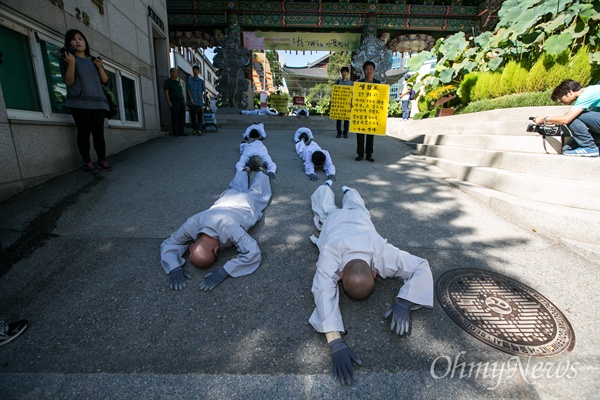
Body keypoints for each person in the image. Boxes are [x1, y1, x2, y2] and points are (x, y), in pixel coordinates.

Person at [308, 181, 434, 386]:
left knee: (325, 208)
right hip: (353, 219)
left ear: (340, 274)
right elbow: (420, 266)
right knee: (352, 206)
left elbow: (323, 292)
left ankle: (326, 187)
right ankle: (347, 190)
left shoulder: (333, 258)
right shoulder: (381, 253)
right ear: (375, 273)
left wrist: (335, 341)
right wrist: (405, 302)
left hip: (340, 220)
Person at [160, 168, 272, 291]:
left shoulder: (230, 229)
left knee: (258, 191)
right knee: (235, 187)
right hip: (227, 198)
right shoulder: (193, 222)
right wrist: (174, 267)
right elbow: (170, 242)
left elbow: (253, 252)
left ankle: (262, 172)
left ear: (216, 249)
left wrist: (224, 272)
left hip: (247, 203)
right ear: (191, 247)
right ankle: (245, 170)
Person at [59, 29, 112, 174]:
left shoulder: (94, 61)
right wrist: (71, 64)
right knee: (84, 132)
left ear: (85, 42)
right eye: (74, 39)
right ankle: (87, 162)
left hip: (98, 103)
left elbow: (105, 81)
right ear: (69, 42)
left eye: (80, 38)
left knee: (98, 133)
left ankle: (102, 159)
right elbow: (68, 82)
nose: (78, 41)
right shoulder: (67, 59)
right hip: (79, 103)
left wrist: (100, 67)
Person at [533, 79, 599, 157]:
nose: (560, 101)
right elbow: (567, 116)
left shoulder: (588, 94)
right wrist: (550, 121)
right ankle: (593, 147)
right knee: (567, 150)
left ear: (570, 92)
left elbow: (566, 119)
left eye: (560, 98)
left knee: (574, 117)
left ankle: (589, 147)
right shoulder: (585, 96)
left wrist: (544, 119)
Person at [355, 61, 381, 162]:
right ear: (364, 71)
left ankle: (369, 154)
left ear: (374, 71)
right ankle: (360, 154)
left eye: (371, 69)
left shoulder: (378, 83)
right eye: (367, 69)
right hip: (361, 111)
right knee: (360, 134)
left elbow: (381, 98)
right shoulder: (359, 84)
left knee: (371, 134)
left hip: (372, 113)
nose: (369, 71)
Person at [164, 68, 187, 137]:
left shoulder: (178, 82)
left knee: (182, 117)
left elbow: (181, 92)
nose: (177, 74)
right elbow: (166, 92)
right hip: (174, 101)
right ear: (172, 73)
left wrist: (183, 101)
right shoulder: (168, 82)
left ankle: (181, 131)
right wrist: (169, 102)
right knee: (175, 117)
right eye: (176, 73)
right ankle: (175, 132)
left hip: (181, 102)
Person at [334, 66, 353, 138]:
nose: (344, 73)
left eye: (346, 72)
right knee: (338, 119)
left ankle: (345, 132)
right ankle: (339, 132)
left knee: (346, 119)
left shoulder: (351, 83)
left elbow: (353, 93)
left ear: (348, 73)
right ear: (341, 73)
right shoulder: (338, 82)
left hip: (347, 104)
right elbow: (334, 92)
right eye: (343, 72)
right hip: (339, 103)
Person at [187, 65, 206, 135]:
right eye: (194, 70)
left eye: (196, 70)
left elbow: (202, 92)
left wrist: (202, 101)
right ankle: (194, 129)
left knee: (199, 116)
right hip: (191, 101)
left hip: (198, 101)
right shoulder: (189, 80)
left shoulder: (201, 81)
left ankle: (200, 129)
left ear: (198, 71)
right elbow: (188, 90)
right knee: (193, 116)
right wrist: (191, 98)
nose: (195, 72)